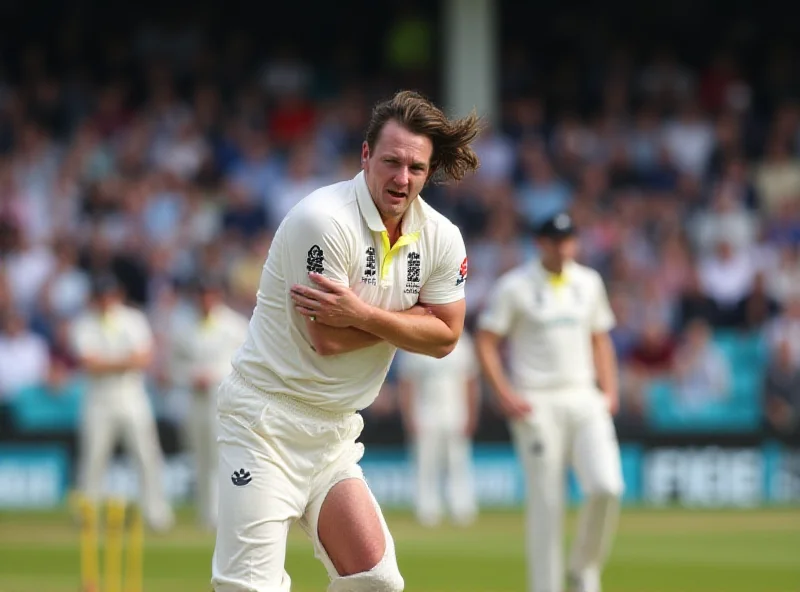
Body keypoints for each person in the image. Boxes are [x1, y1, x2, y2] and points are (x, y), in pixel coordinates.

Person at [211, 90, 481, 592]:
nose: (402, 179)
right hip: (265, 422)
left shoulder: (443, 237)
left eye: (416, 168)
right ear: (365, 156)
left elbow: (447, 337)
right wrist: (410, 318)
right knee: (248, 588)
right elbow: (327, 338)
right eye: (391, 162)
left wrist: (360, 311)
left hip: (334, 433)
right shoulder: (324, 220)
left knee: (376, 581)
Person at [475, 212, 623, 592]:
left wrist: (609, 392)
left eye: (569, 239)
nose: (563, 247)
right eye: (556, 240)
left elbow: (601, 339)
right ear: (540, 243)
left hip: (584, 396)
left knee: (607, 486)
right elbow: (487, 341)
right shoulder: (515, 287)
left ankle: (583, 568)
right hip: (536, 401)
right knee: (547, 502)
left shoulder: (589, 282)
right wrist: (506, 394)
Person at [69, 274, 175, 531]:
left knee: (147, 456)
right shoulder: (83, 324)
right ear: (94, 299)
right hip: (98, 401)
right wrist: (124, 361)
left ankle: (156, 513)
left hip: (132, 398)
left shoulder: (133, 320)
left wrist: (108, 362)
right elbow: (89, 364)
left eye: (109, 295)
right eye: (101, 296)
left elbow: (143, 358)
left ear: (117, 295)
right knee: (93, 457)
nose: (106, 301)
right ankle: (89, 515)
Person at [167, 276, 249, 530]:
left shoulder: (234, 325)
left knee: (222, 457)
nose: (205, 300)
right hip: (196, 400)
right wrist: (190, 376)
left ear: (217, 296)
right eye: (201, 295)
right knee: (200, 456)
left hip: (226, 400)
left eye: (210, 294)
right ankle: (207, 514)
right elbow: (173, 367)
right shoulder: (183, 328)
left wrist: (215, 376)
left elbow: (246, 362)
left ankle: (226, 512)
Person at [396, 330, 480, 527]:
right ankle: (427, 510)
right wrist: (409, 416)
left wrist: (471, 414)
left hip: (456, 413)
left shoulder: (463, 342)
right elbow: (406, 383)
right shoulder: (414, 342)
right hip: (424, 413)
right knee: (425, 464)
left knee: (458, 462)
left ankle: (462, 508)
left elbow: (470, 381)